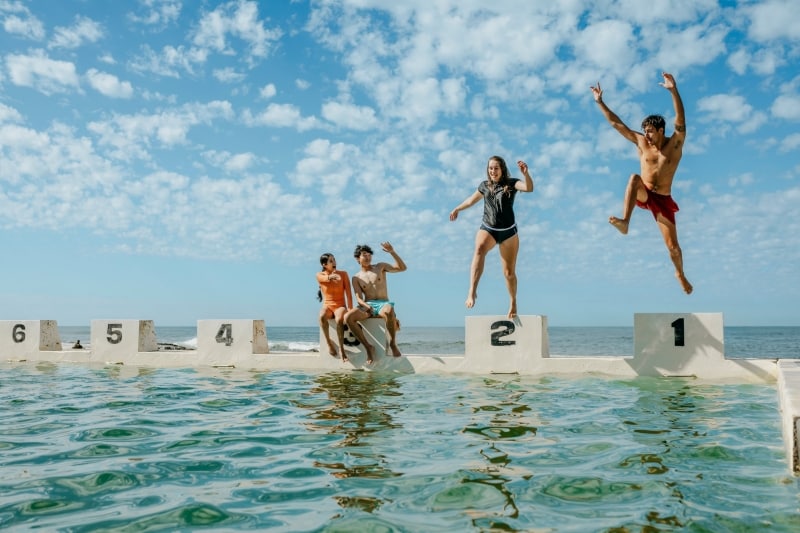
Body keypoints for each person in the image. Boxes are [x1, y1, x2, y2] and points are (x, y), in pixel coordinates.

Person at [590, 72, 693, 294]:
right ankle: (625, 221)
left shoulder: (674, 145)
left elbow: (681, 121)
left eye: (649, 132)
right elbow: (618, 125)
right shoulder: (641, 142)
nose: (645, 136)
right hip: (644, 192)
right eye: (644, 131)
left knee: (673, 248)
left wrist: (673, 91)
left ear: (661, 131)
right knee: (634, 178)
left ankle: (680, 274)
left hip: (662, 200)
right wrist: (600, 103)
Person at [449, 156, 534, 318]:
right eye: (490, 168)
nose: (492, 171)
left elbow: (529, 188)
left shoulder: (512, 183)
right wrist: (457, 209)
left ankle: (513, 301)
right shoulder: (484, 186)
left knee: (509, 273)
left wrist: (526, 174)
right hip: (488, 228)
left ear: (502, 169)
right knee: (479, 248)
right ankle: (472, 291)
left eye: (496, 168)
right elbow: (470, 201)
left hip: (509, 233)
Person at [344, 242, 407, 364]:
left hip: (383, 303)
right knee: (348, 317)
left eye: (369, 255)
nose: (367, 257)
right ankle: (368, 347)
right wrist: (366, 306)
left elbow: (402, 268)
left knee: (389, 311)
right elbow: (358, 298)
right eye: (364, 255)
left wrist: (392, 252)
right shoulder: (356, 277)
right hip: (367, 305)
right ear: (358, 258)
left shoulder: (380, 267)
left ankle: (392, 343)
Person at [316, 253, 353, 361]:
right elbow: (324, 278)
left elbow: (349, 294)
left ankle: (341, 349)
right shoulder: (319, 275)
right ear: (324, 264)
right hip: (328, 306)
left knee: (339, 319)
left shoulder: (344, 274)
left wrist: (350, 309)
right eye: (331, 261)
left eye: (334, 260)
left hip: (340, 306)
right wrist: (332, 276)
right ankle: (329, 343)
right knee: (322, 315)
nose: (334, 262)